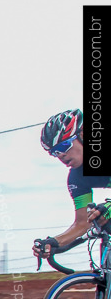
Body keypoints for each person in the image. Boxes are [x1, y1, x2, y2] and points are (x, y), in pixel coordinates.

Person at [34, 109, 111, 259]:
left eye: (64, 146)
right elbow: (82, 223)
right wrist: (55, 242)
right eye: (54, 152)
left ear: (82, 135)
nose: (61, 155)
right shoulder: (77, 178)